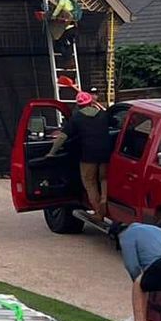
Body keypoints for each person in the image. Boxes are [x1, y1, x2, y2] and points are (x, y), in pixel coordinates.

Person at [51, 88, 116, 222]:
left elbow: (62, 137)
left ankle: (98, 212)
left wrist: (51, 152)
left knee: (90, 182)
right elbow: (114, 123)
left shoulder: (77, 118)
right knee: (104, 179)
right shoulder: (103, 115)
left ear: (78, 105)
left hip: (87, 156)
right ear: (90, 103)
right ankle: (104, 200)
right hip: (105, 153)